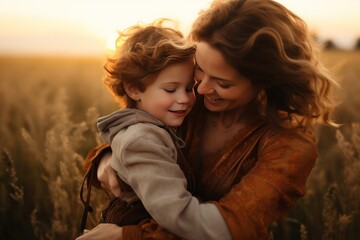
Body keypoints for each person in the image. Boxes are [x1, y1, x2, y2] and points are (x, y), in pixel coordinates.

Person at [77, 0, 337, 239]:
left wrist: (127, 236)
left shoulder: (289, 146)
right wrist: (106, 159)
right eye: (199, 68)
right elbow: (137, 136)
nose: (200, 90)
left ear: (264, 81)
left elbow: (230, 228)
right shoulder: (188, 101)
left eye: (222, 82)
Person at [78, 18, 231, 240]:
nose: (184, 99)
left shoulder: (156, 124)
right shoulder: (142, 139)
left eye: (189, 88)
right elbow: (177, 214)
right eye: (170, 89)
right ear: (134, 89)